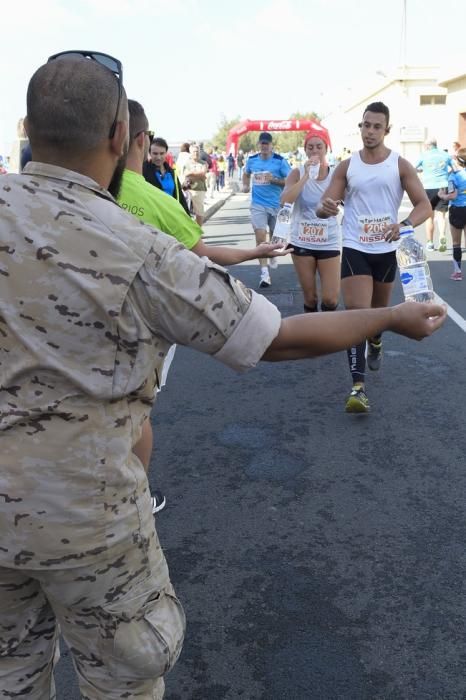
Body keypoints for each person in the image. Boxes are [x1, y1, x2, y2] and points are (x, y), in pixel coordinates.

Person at [0, 55, 446, 700]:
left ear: (28, 130)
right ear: (120, 138)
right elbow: (274, 338)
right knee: (122, 676)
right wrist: (394, 317)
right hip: (86, 517)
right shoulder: (136, 244)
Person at [117, 99, 291, 516]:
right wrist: (254, 253)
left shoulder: (65, 194)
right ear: (140, 140)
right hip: (138, 327)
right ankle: (136, 498)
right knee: (136, 411)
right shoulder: (155, 200)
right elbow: (203, 255)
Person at [316, 101, 432, 413]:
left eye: (376, 126)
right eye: (366, 125)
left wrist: (405, 225)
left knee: (378, 314)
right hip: (355, 246)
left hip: (386, 251)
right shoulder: (347, 166)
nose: (369, 131)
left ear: (386, 130)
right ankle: (358, 388)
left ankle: (376, 340)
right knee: (357, 314)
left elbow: (424, 205)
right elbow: (326, 205)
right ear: (361, 127)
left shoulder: (399, 165)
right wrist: (325, 208)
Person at [281, 126, 341, 313]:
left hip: (329, 240)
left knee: (330, 299)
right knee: (310, 298)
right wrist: (307, 175)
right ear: (305, 150)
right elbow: (285, 201)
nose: (314, 151)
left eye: (319, 147)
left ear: (326, 149)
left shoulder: (336, 174)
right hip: (302, 241)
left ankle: (327, 332)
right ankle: (316, 338)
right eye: (310, 147)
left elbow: (349, 201)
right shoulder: (297, 173)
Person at [243, 132, 292, 288]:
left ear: (272, 146)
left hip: (276, 204)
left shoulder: (280, 161)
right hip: (258, 204)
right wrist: (245, 185)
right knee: (260, 235)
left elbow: (291, 181)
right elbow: (246, 173)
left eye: (267, 144)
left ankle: (271, 253)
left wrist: (274, 180)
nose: (264, 146)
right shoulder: (252, 160)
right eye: (262, 143)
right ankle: (264, 274)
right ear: (259, 145)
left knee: (274, 234)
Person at [416, 138, 453, 251]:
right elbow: (454, 168)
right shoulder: (445, 155)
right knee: (441, 216)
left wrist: (423, 172)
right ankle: (442, 236)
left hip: (428, 186)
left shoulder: (424, 155)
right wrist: (446, 173)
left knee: (429, 216)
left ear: (427, 146)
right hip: (443, 185)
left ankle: (430, 243)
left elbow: (415, 168)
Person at [438, 146, 466, 281]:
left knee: (456, 243)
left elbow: (453, 195)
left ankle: (457, 272)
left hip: (457, 210)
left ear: (458, 160)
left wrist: (442, 195)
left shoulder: (453, 176)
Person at [143, 136, 190, 215]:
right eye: (155, 153)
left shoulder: (171, 172)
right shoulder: (143, 171)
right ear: (149, 153)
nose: (158, 157)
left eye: (162, 153)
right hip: (152, 216)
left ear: (166, 153)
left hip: (171, 215)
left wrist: (187, 217)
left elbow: (180, 196)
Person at [183, 143, 208, 225]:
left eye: (197, 151)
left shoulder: (204, 163)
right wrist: (198, 175)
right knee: (186, 212)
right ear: (190, 152)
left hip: (199, 190)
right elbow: (186, 174)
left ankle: (199, 232)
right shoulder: (186, 163)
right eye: (194, 152)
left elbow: (203, 174)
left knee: (199, 212)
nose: (196, 153)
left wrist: (192, 173)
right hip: (188, 190)